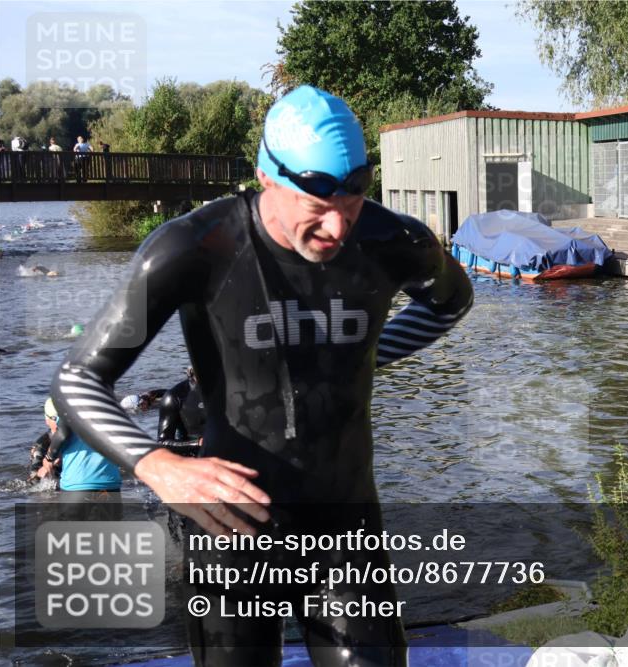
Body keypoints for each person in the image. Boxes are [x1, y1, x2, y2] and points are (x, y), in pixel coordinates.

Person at [51, 85, 473, 667]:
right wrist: (158, 466)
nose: (337, 225)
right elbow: (78, 379)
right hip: (232, 531)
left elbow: (450, 303)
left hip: (345, 529)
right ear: (267, 177)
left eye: (353, 197)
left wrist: (366, 354)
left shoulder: (390, 241)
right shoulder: (196, 247)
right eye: (317, 203)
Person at [31, 399, 122, 504]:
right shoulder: (42, 445)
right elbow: (33, 482)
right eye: (55, 418)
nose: (58, 423)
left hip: (78, 487)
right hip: (61, 489)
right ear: (47, 420)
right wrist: (45, 470)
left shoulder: (81, 430)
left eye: (59, 418)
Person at [157, 367, 205, 455]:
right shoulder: (174, 397)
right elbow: (162, 443)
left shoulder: (230, 390)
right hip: (194, 459)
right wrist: (198, 443)